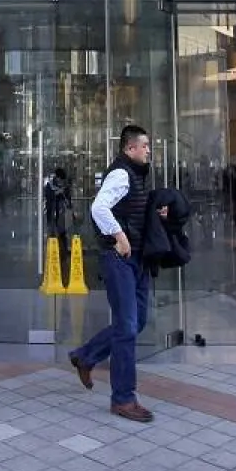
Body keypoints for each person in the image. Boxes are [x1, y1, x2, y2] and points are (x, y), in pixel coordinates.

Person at [69, 125, 160, 422]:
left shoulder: (136, 176)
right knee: (127, 326)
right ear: (130, 148)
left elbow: (131, 208)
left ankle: (86, 356)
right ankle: (123, 399)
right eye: (144, 146)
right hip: (119, 257)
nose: (148, 150)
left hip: (137, 259)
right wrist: (119, 237)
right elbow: (99, 209)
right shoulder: (121, 173)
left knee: (136, 322)